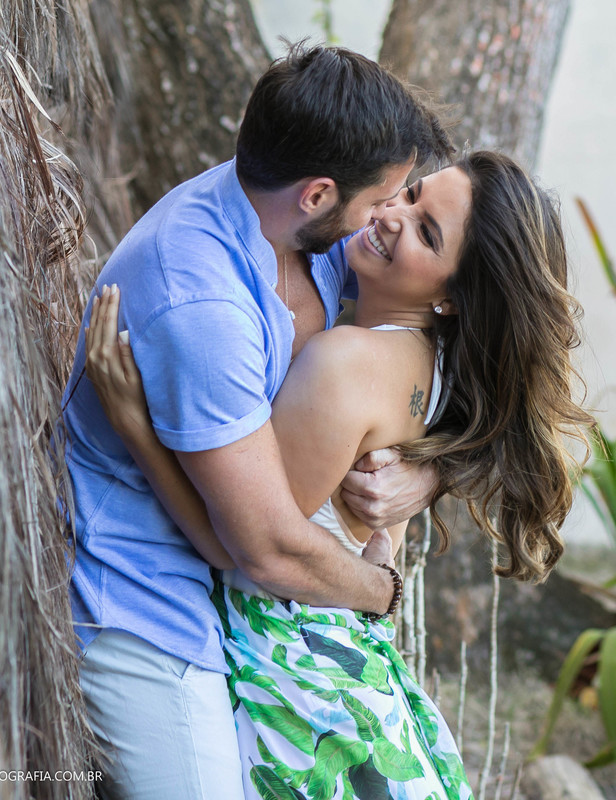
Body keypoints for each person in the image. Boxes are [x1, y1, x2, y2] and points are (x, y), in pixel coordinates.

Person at [85, 150, 592, 798]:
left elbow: (241, 551)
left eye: (425, 232)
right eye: (411, 196)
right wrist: (430, 474)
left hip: (291, 657)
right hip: (348, 643)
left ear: (449, 299)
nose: (389, 216)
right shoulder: (436, 370)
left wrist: (134, 426)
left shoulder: (345, 362)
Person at [61, 42, 453, 799]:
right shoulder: (204, 304)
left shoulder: (316, 238)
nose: (387, 220)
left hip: (249, 591)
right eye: (383, 201)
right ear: (317, 194)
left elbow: (480, 376)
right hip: (147, 585)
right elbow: (263, 552)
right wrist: (381, 592)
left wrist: (426, 473)